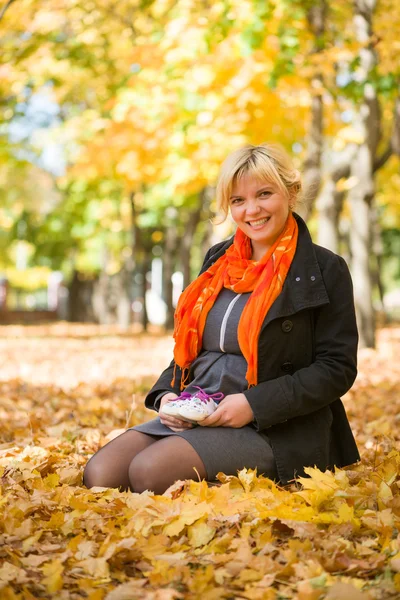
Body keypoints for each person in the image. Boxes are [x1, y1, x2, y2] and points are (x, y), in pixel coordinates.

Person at [83, 143, 360, 495]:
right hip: (198, 410)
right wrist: (167, 395)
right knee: (101, 473)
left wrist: (252, 405)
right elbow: (191, 348)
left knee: (149, 472)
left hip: (272, 426)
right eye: (238, 200)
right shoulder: (218, 260)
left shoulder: (323, 269)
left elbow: (336, 368)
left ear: (291, 193)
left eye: (264, 194)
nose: (252, 210)